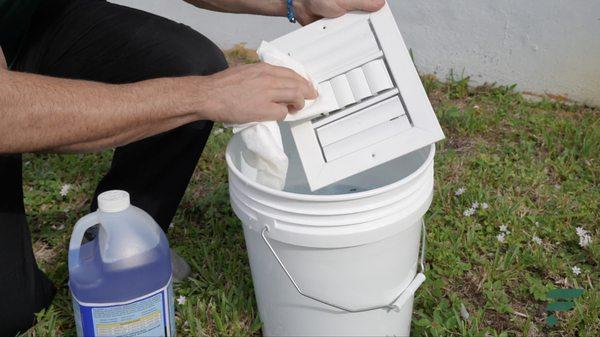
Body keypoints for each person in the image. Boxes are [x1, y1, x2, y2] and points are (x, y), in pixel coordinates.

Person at [0, 0, 385, 334]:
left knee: (189, 64)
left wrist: (294, 2)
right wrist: (204, 96)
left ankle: (119, 243)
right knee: (14, 311)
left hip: (32, 24)